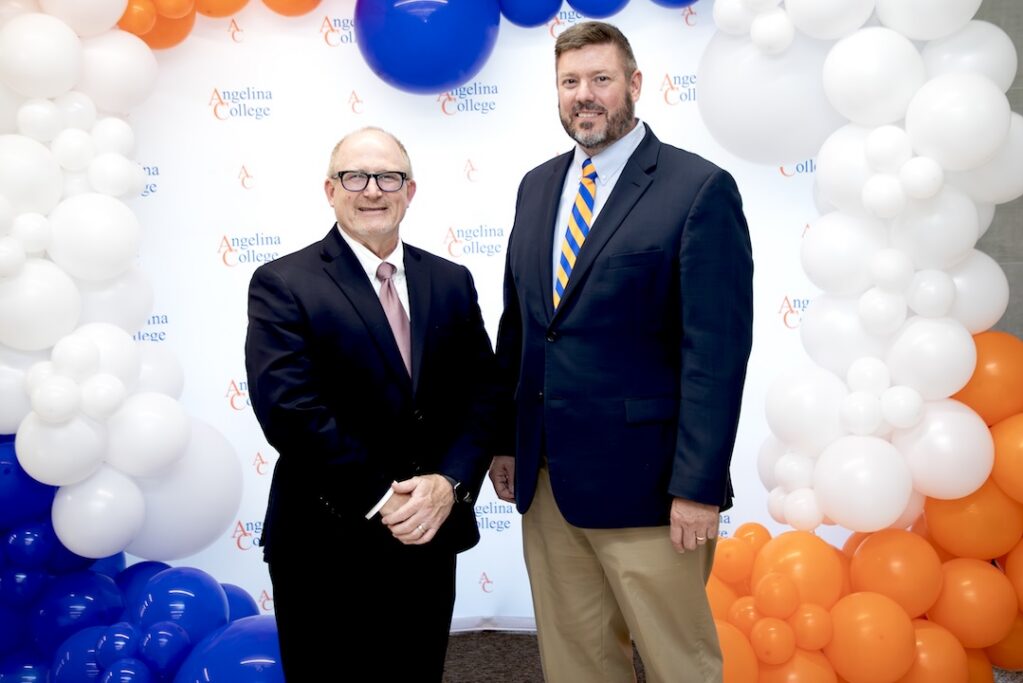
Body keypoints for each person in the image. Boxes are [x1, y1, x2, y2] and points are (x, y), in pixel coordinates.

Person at [489, 21, 754, 683]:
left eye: (601, 79)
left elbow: (715, 356)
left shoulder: (698, 189)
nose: (585, 95)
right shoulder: (535, 186)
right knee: (575, 663)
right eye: (570, 82)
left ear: (634, 85)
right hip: (548, 486)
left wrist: (697, 488)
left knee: (678, 664)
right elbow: (521, 326)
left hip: (652, 489)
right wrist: (506, 438)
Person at [245, 127, 497, 682]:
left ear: (410, 191)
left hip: (429, 534)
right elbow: (289, 409)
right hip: (324, 541)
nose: (372, 190)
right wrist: (385, 497)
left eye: (388, 177)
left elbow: (482, 394)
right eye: (354, 177)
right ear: (330, 190)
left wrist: (448, 486)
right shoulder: (283, 282)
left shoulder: (451, 280)